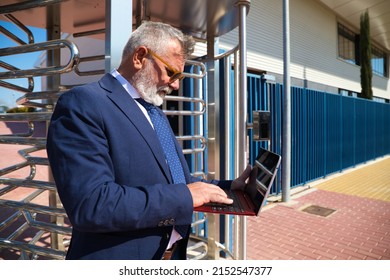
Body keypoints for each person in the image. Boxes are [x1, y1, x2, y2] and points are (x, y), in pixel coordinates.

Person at [46, 21, 251, 260]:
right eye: (172, 72)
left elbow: (177, 180)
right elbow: (92, 204)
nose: (175, 84)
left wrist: (227, 188)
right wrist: (186, 196)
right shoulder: (83, 104)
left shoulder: (154, 110)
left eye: (180, 75)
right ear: (140, 57)